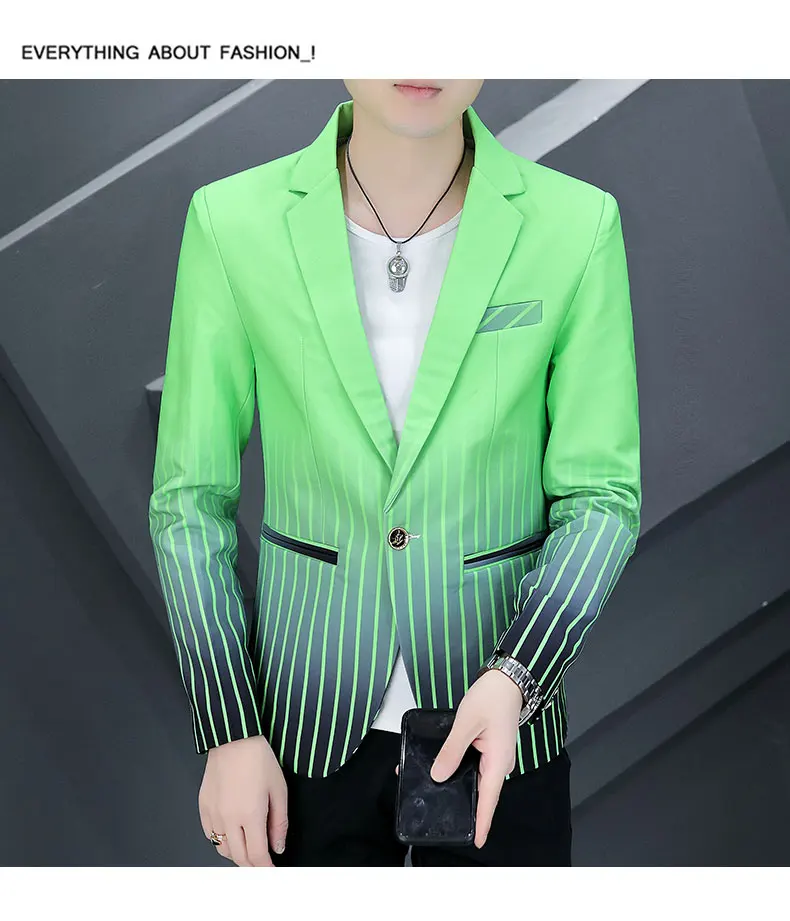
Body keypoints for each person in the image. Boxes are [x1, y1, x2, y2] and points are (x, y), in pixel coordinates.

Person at [147, 79, 641, 867]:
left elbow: (601, 497)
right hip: (302, 722)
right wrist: (229, 727)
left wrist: (519, 674)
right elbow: (189, 501)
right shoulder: (231, 222)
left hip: (502, 721)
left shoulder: (577, 225)